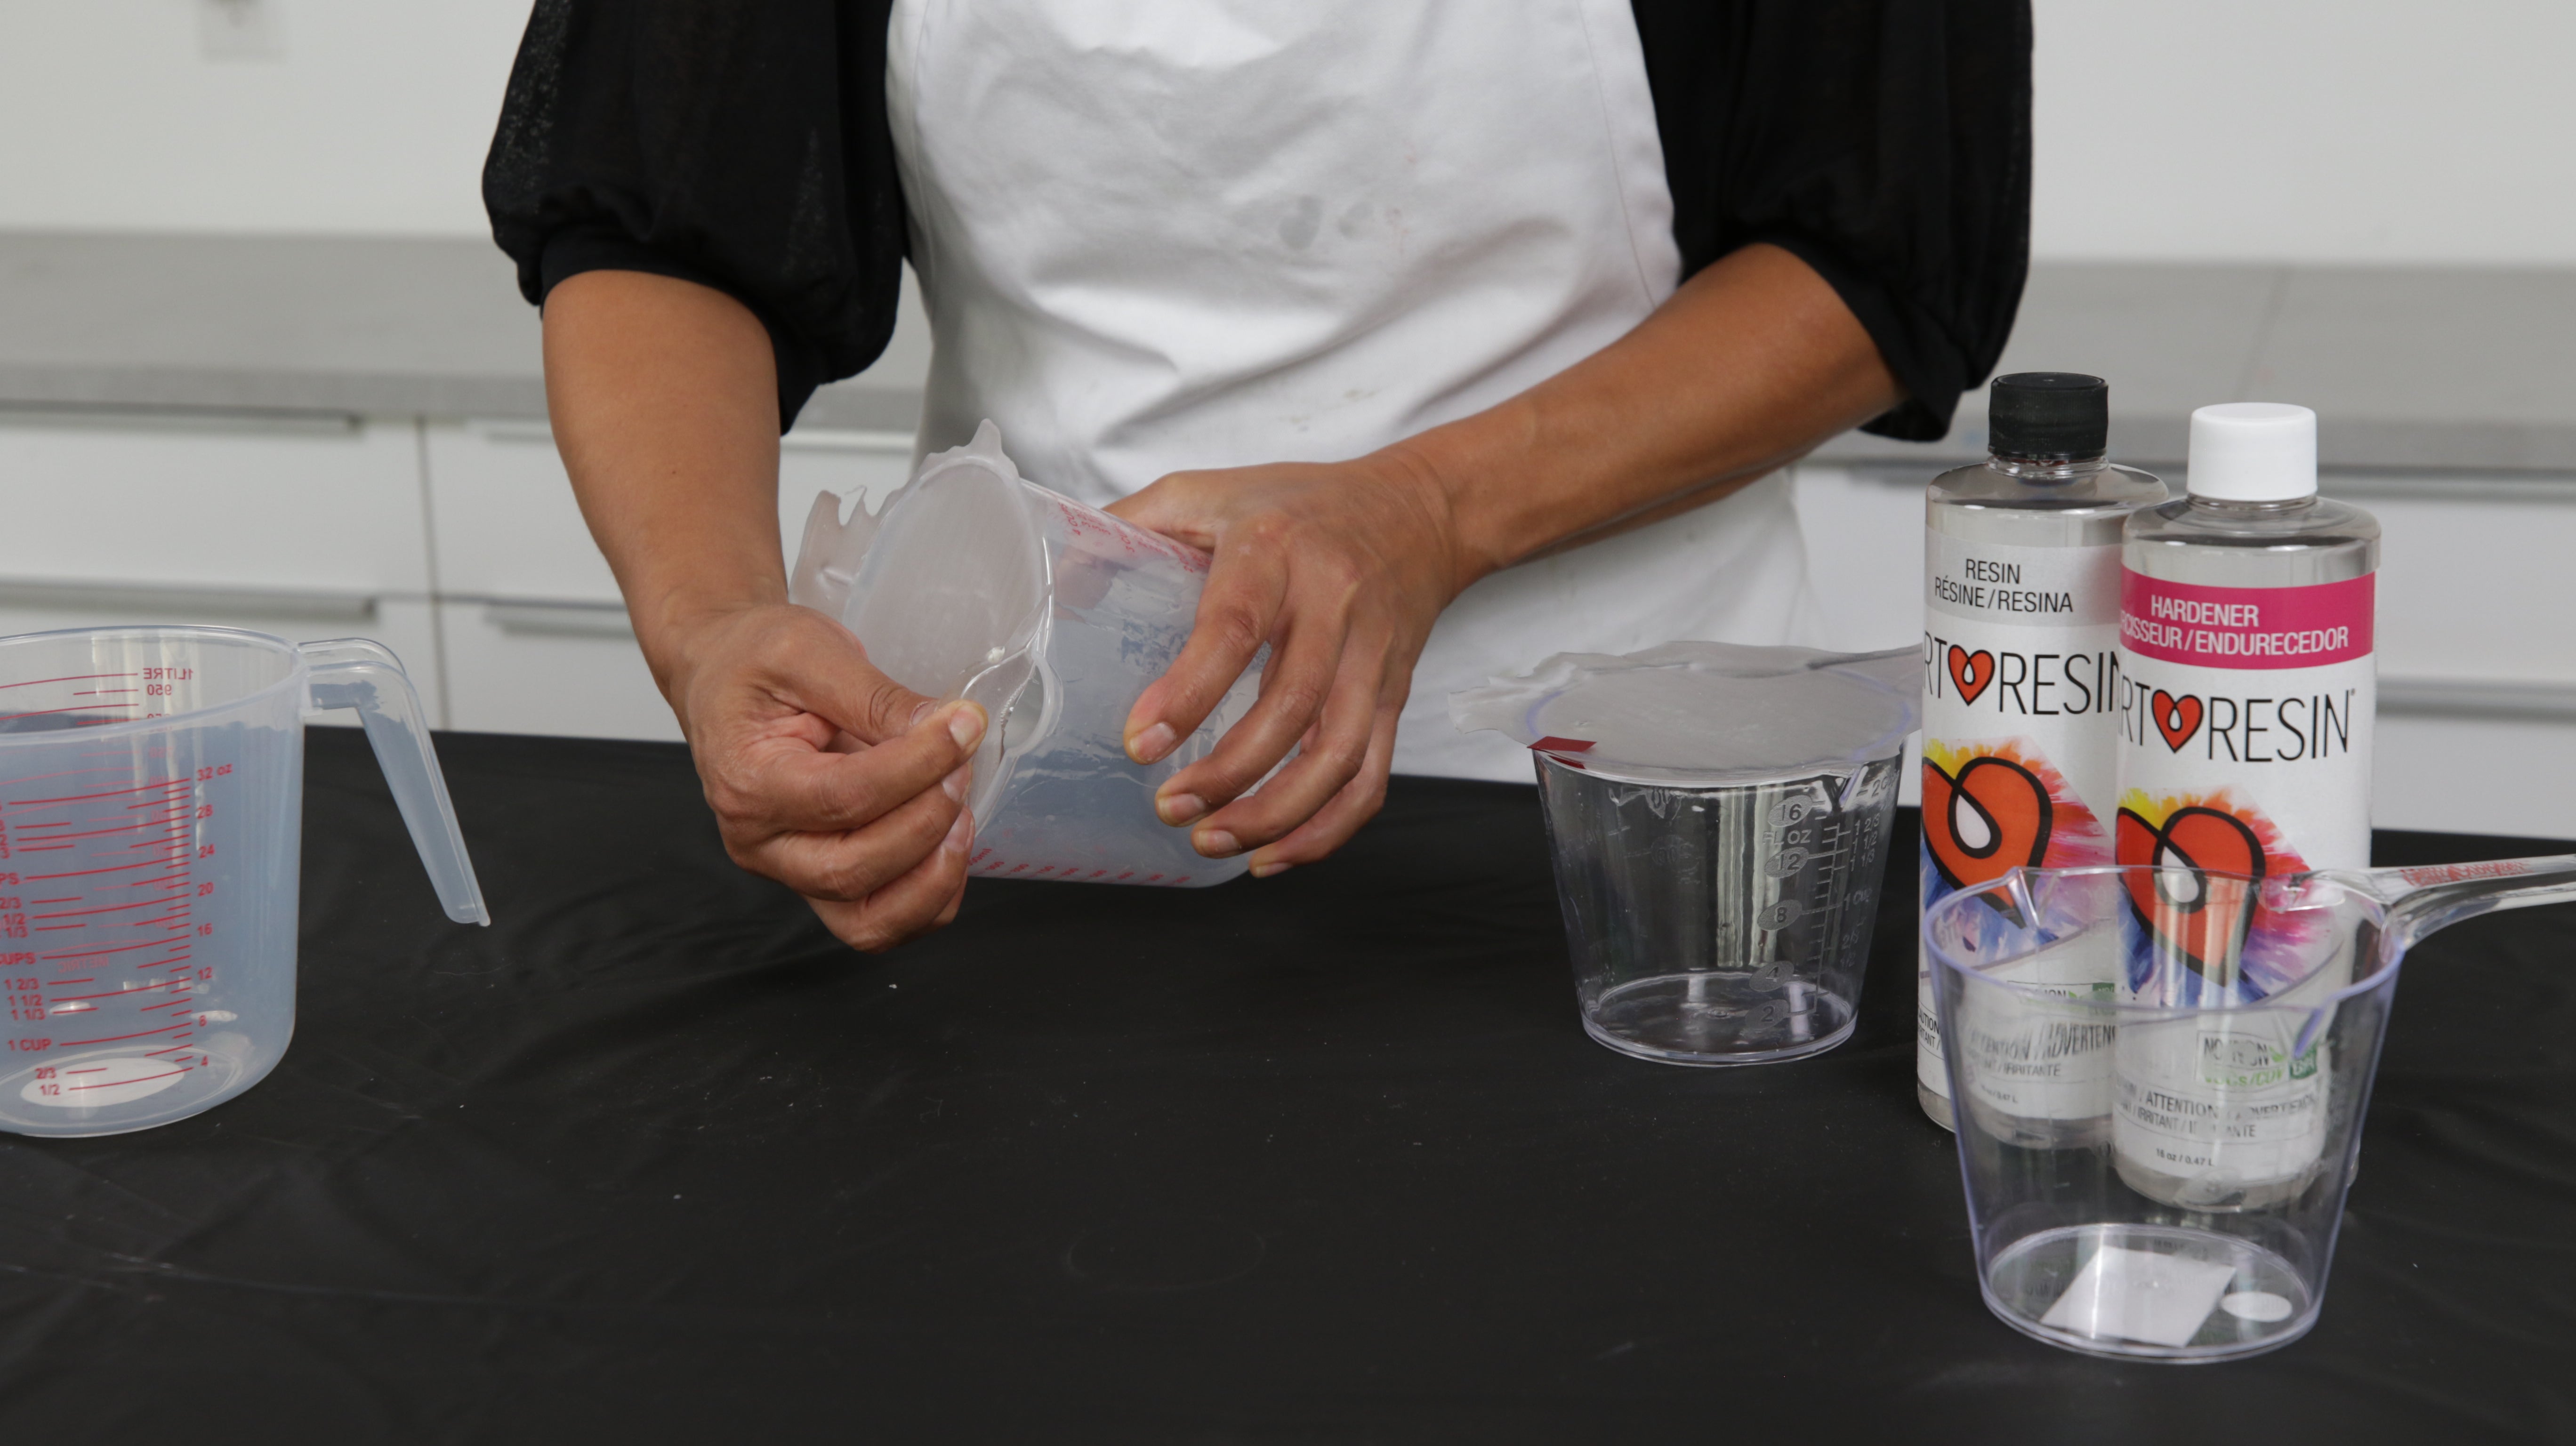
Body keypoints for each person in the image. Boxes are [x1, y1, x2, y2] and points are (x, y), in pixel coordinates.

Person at [485, 0, 2030, 951]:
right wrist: (707, 626)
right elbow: (658, 223)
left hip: (1611, 837)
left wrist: (1430, 511)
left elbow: (1881, 253)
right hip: (1028, 791)